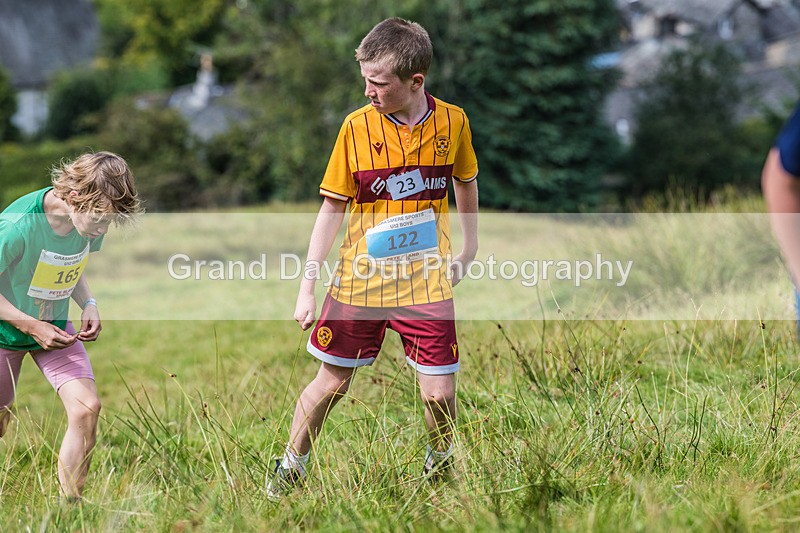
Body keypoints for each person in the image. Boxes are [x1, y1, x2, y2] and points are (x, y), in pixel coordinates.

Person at [267, 17, 479, 498]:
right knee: (332, 385)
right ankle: (290, 467)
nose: (368, 90)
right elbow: (332, 207)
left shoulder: (454, 122)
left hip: (426, 281)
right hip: (361, 282)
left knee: (440, 393)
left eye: (378, 83)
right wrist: (307, 286)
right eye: (365, 78)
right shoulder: (355, 129)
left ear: (415, 82)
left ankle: (439, 464)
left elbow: (465, 180)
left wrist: (469, 249)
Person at [0, 151, 142, 501]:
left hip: (56, 331)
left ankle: (71, 506)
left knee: (86, 407)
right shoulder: (18, 226)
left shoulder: (90, 219)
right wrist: (32, 327)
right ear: (74, 196)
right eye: (100, 219)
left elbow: (72, 262)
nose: (102, 230)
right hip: (5, 333)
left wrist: (89, 303)